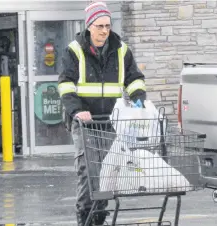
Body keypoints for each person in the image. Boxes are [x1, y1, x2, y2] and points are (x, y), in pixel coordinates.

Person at [57, 1, 147, 225]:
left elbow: (134, 78)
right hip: (85, 122)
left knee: (108, 172)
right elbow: (66, 85)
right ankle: (85, 217)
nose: (105, 31)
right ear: (89, 26)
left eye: (108, 25)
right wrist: (78, 110)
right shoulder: (74, 50)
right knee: (89, 172)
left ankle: (99, 218)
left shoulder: (121, 50)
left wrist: (139, 102)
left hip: (109, 121)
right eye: (100, 26)